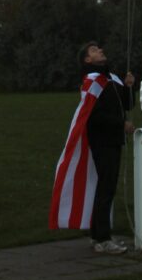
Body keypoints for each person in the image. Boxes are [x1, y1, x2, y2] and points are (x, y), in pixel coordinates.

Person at [49, 41, 135, 254]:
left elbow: (126, 104)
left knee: (106, 187)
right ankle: (102, 238)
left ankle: (98, 234)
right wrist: (121, 124)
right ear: (87, 59)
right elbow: (93, 116)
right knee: (106, 188)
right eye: (95, 50)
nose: (101, 50)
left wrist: (129, 87)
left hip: (113, 140)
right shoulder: (93, 81)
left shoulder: (111, 79)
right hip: (103, 141)